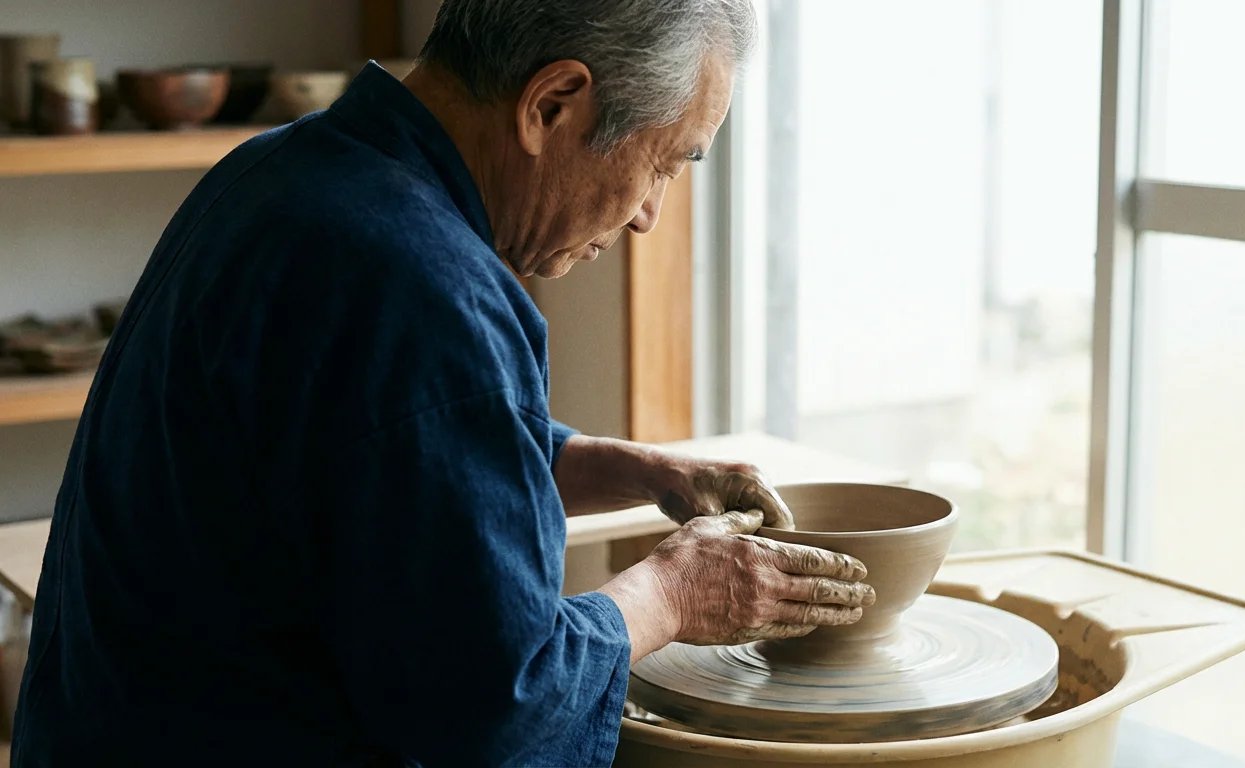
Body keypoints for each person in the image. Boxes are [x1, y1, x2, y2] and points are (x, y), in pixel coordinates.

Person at [11, 1, 877, 766]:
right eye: (665, 163)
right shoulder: (420, 285)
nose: (650, 214)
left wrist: (634, 470)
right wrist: (677, 592)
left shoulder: (287, 172)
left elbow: (380, 456)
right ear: (552, 105)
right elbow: (496, 709)